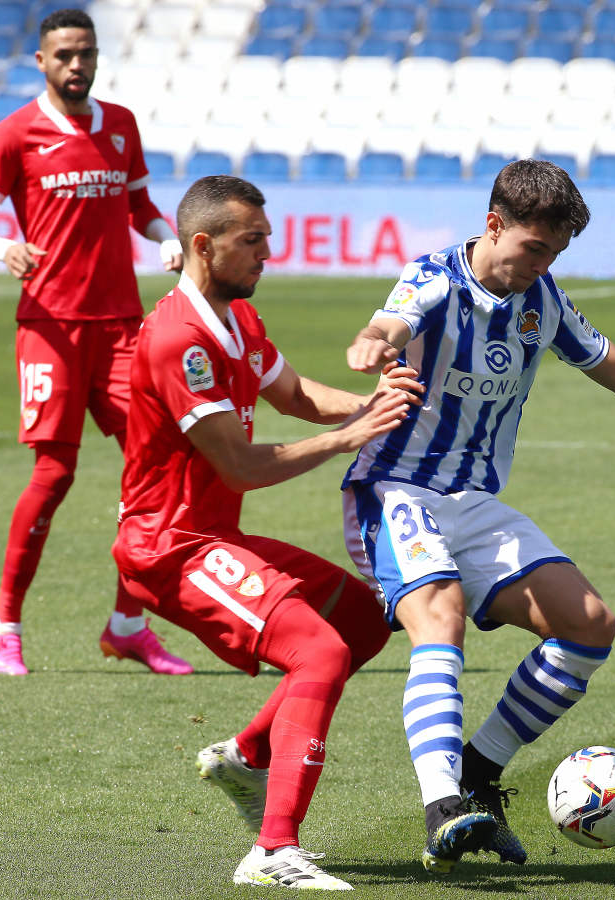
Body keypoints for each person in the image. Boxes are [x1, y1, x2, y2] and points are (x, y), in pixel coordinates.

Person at [342, 159, 615, 874]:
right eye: (535, 248)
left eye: (557, 253)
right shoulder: (435, 279)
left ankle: (479, 772)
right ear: (493, 224)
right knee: (438, 616)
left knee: (590, 625)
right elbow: (387, 322)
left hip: (473, 503)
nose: (543, 264)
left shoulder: (545, 305)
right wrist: (372, 345)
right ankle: (444, 804)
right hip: (394, 491)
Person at [114, 175, 421, 890]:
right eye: (252, 241)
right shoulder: (177, 340)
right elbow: (241, 464)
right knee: (318, 652)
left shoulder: (239, 322)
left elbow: (297, 395)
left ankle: (248, 755)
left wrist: (376, 405)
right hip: (169, 550)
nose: (266, 253)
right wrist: (352, 438)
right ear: (202, 245)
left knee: (364, 622)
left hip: (211, 535)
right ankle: (272, 851)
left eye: (267, 238)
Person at [0, 8, 190, 676]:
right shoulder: (14, 134)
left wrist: (166, 237)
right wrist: (1, 245)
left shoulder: (120, 126)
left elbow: (140, 207)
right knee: (55, 474)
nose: (76, 65)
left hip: (119, 327)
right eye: (64, 55)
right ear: (41, 61)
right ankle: (5, 626)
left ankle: (127, 625)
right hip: (50, 328)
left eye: (85, 53)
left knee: (159, 465)